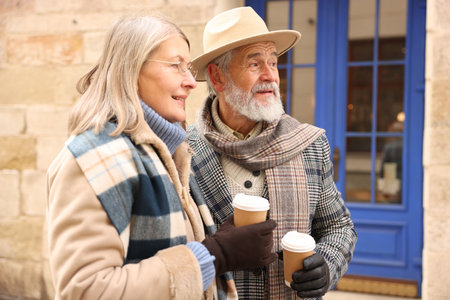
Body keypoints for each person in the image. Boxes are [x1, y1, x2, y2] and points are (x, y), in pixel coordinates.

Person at [46, 14, 278, 300]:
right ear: (130, 70)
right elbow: (85, 291)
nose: (192, 82)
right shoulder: (93, 159)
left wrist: (218, 245)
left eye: (189, 68)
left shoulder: (169, 153)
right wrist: (215, 255)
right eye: (176, 66)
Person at [187, 7, 357, 300]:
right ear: (217, 77)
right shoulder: (182, 152)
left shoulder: (309, 144)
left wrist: (326, 265)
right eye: (255, 64)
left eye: (273, 63)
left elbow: (339, 227)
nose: (271, 77)